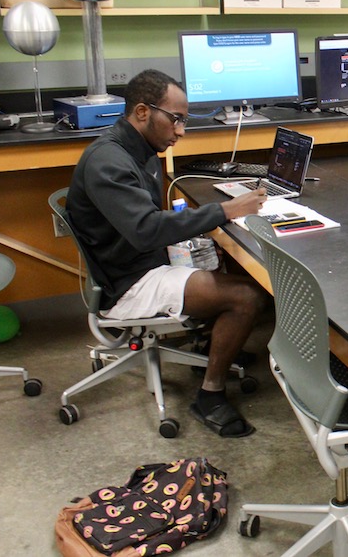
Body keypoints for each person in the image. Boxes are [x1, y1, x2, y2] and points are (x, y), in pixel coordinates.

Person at [66, 69, 268, 438]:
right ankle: (209, 395)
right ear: (143, 112)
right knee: (248, 296)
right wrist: (225, 210)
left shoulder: (137, 148)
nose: (180, 131)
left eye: (184, 121)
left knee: (230, 263)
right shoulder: (108, 161)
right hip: (129, 281)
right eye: (176, 119)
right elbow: (145, 231)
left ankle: (212, 346)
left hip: (141, 261)